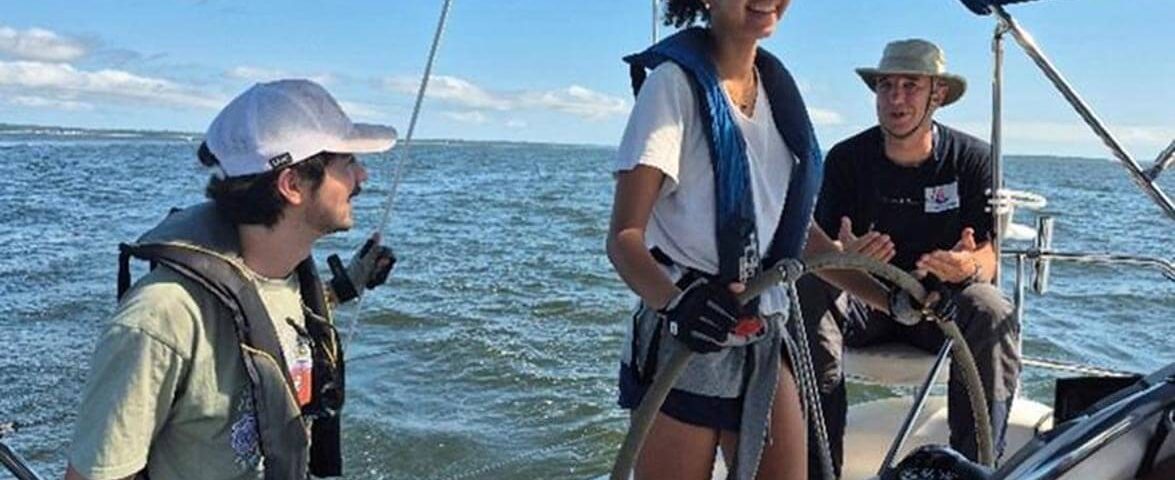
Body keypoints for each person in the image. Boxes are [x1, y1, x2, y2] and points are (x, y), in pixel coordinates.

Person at [607, 1, 894, 479]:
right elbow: (623, 238)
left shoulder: (777, 93)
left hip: (763, 339)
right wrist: (679, 305)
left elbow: (803, 243)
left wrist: (901, 300)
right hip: (687, 339)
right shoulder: (672, 87)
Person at [64, 79, 398, 480]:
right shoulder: (159, 319)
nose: (363, 176)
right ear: (292, 185)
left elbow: (265, 312)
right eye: (347, 163)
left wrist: (350, 285)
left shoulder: (284, 274)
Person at [797, 39, 1022, 477]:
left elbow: (989, 254)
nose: (896, 98)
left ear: (937, 95)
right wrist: (848, 257)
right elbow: (820, 251)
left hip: (944, 309)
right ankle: (818, 466)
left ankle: (975, 470)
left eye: (910, 85)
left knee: (993, 309)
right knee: (806, 287)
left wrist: (968, 267)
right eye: (886, 86)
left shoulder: (974, 160)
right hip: (867, 301)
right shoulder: (846, 160)